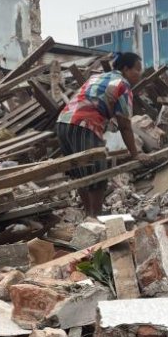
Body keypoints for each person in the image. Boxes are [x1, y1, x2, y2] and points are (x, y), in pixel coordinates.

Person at [54, 51, 145, 216]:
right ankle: (95, 218)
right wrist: (135, 154)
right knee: (98, 176)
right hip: (84, 125)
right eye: (137, 70)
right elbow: (125, 125)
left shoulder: (96, 78)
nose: (140, 74)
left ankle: (89, 217)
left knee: (79, 173)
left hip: (63, 123)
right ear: (125, 69)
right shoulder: (123, 85)